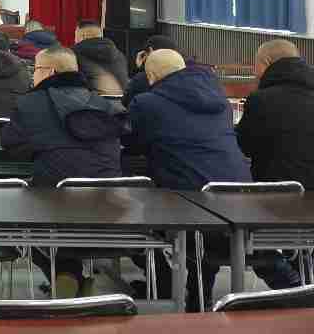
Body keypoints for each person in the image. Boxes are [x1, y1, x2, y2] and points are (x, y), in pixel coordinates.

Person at [125, 49, 299, 309]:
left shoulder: (147, 104)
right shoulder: (218, 99)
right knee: (230, 242)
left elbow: (134, 143)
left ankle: (179, 294)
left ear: (150, 76)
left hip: (189, 204)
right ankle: (294, 291)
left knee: (162, 220)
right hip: (239, 195)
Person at [1, 46, 127, 296]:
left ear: (49, 72)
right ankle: (74, 278)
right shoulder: (104, 104)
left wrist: (41, 147)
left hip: (54, 203)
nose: (33, 75)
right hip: (110, 207)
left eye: (36, 69)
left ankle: (65, 273)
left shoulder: (30, 103)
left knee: (17, 218)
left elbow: (10, 144)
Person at [237, 39, 314, 188]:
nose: (254, 72)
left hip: (275, 192)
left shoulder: (260, 100)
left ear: (267, 62)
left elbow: (244, 147)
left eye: (256, 64)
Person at [72, 20, 128, 96]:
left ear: (83, 36)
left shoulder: (73, 54)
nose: (74, 40)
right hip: (121, 102)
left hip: (88, 101)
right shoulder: (120, 55)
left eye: (75, 36)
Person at [122, 35, 180, 107]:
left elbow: (126, 102)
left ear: (150, 50)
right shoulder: (183, 76)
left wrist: (141, 69)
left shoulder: (142, 79)